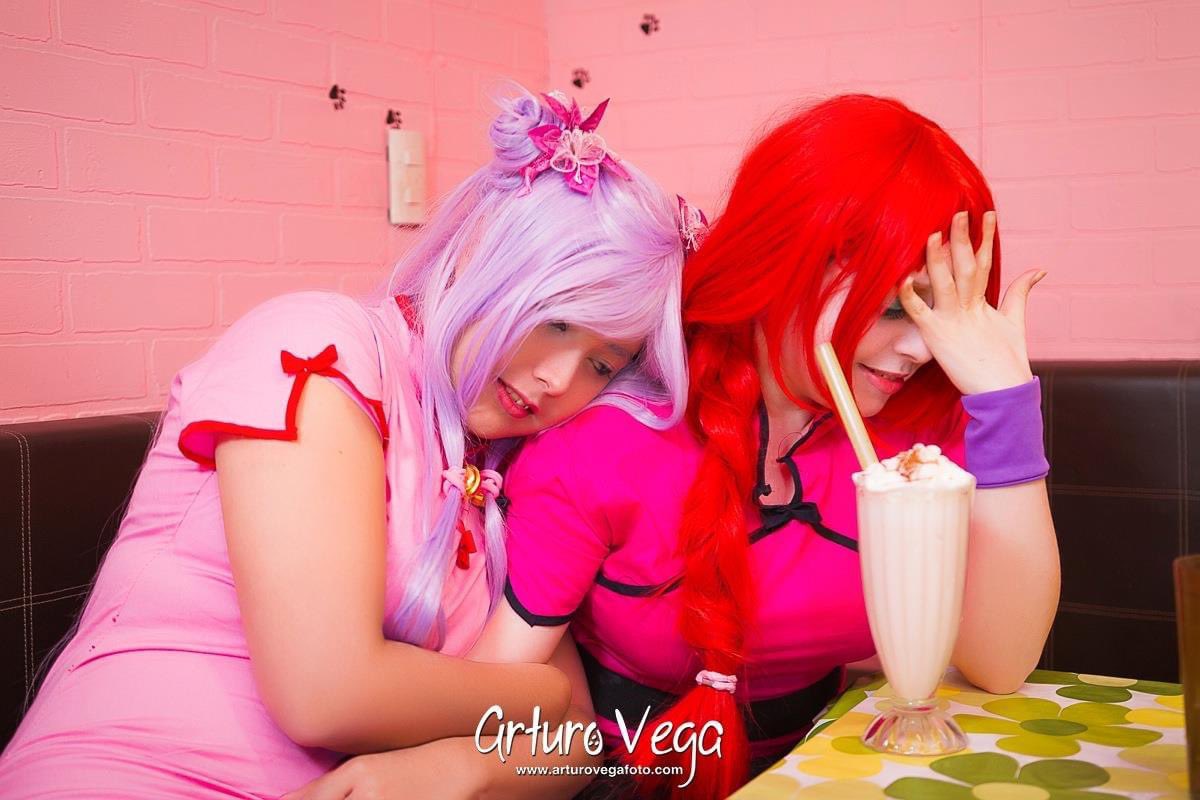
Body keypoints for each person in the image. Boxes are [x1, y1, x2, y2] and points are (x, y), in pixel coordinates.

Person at [0, 86, 689, 799]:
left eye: (601, 364)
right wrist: (539, 695)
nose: (558, 379)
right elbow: (326, 694)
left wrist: (463, 769)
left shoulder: (509, 469)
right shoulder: (319, 346)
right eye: (556, 321)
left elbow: (579, 745)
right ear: (485, 259)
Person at [464, 93, 1061, 799]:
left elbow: (1000, 662)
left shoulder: (918, 437)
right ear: (786, 263)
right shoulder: (609, 443)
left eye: (942, 313)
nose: (919, 350)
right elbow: (493, 701)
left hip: (833, 775)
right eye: (894, 307)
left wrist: (1003, 397)